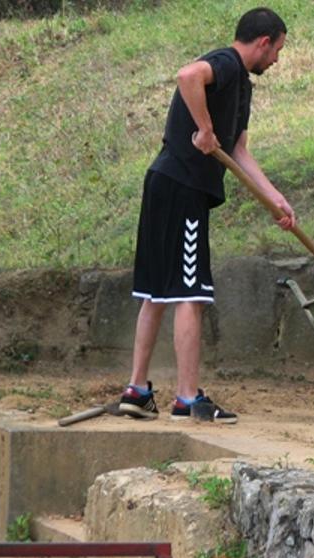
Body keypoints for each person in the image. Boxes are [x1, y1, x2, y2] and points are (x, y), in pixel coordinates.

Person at [117, 7, 296, 424]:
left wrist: (276, 200)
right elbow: (187, 76)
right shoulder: (228, 64)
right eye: (278, 50)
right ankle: (186, 398)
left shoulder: (241, 88)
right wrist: (204, 127)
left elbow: (238, 153)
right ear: (263, 41)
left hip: (163, 182)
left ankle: (138, 391)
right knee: (190, 293)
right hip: (183, 189)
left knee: (155, 293)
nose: (277, 61)